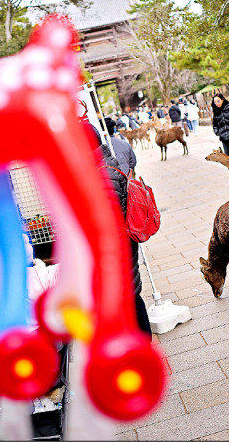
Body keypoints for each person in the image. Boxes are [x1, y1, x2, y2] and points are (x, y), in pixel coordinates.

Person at [84, 121, 151, 338]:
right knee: (130, 294)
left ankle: (141, 343)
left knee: (128, 295)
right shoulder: (103, 165)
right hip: (122, 244)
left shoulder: (102, 175)